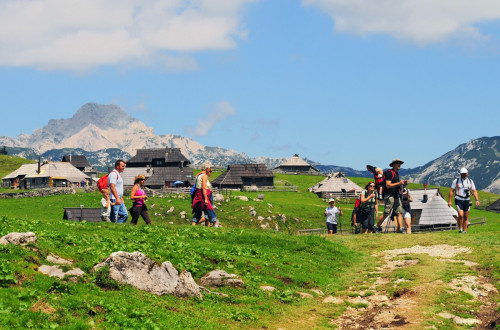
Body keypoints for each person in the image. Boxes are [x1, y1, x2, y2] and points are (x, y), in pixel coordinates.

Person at [374, 159, 408, 233]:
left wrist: (403, 183)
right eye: (398, 163)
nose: (400, 165)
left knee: (399, 212)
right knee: (386, 213)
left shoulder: (396, 173)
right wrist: (399, 183)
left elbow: (396, 185)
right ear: (393, 165)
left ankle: (401, 229)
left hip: (396, 195)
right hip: (389, 195)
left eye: (400, 164)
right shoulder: (390, 173)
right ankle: (376, 227)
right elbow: (388, 185)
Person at [448, 168, 480, 233]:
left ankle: (465, 231)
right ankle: (460, 228)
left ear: (467, 173)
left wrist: (477, 200)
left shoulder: (470, 181)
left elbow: (474, 191)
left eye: (465, 173)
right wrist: (450, 201)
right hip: (458, 199)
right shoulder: (456, 181)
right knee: (460, 215)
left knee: (466, 216)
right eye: (462, 174)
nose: (464, 175)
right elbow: (451, 191)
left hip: (467, 200)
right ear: (460, 174)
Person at [191, 162, 218, 227]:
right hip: (204, 195)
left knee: (198, 211)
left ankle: (193, 226)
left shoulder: (198, 175)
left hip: (198, 196)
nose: (210, 170)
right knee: (210, 210)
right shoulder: (204, 176)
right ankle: (215, 226)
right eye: (210, 168)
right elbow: (203, 187)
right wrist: (206, 199)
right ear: (207, 168)